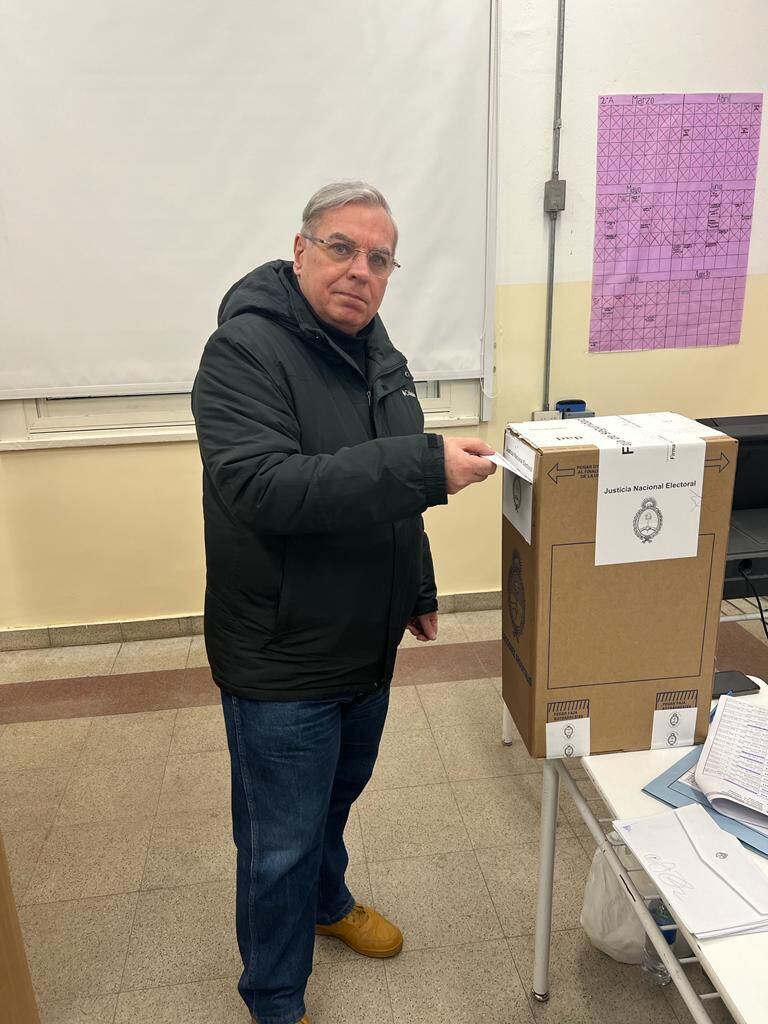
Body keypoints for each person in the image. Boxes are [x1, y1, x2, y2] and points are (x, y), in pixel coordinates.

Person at [192, 181, 496, 1024]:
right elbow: (266, 489)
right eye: (340, 248)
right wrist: (426, 468)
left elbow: (394, 481)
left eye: (378, 258)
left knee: (335, 797)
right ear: (300, 251)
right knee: (278, 843)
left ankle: (328, 907)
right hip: (283, 656)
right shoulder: (243, 353)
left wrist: (418, 585)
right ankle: (276, 1000)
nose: (359, 271)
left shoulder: (379, 357)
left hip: (365, 643)